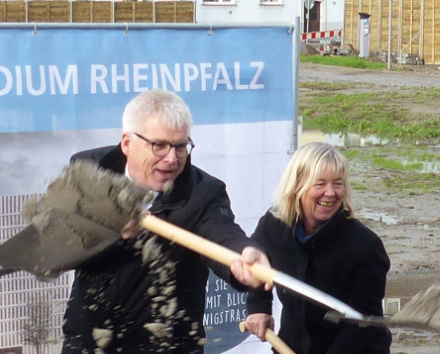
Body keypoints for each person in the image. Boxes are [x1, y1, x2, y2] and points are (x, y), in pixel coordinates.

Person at [61, 89, 272, 353]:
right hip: (89, 344)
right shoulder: (88, 170)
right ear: (127, 143)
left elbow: (224, 235)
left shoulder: (203, 193)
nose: (172, 159)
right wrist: (108, 231)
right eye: (159, 145)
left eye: (180, 146)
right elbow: (63, 242)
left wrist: (244, 255)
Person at [241, 143, 391, 353]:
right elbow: (257, 267)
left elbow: (362, 325)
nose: (330, 193)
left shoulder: (365, 247)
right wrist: (259, 308)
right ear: (297, 186)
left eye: (337, 184)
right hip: (292, 345)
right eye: (320, 184)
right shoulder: (273, 227)